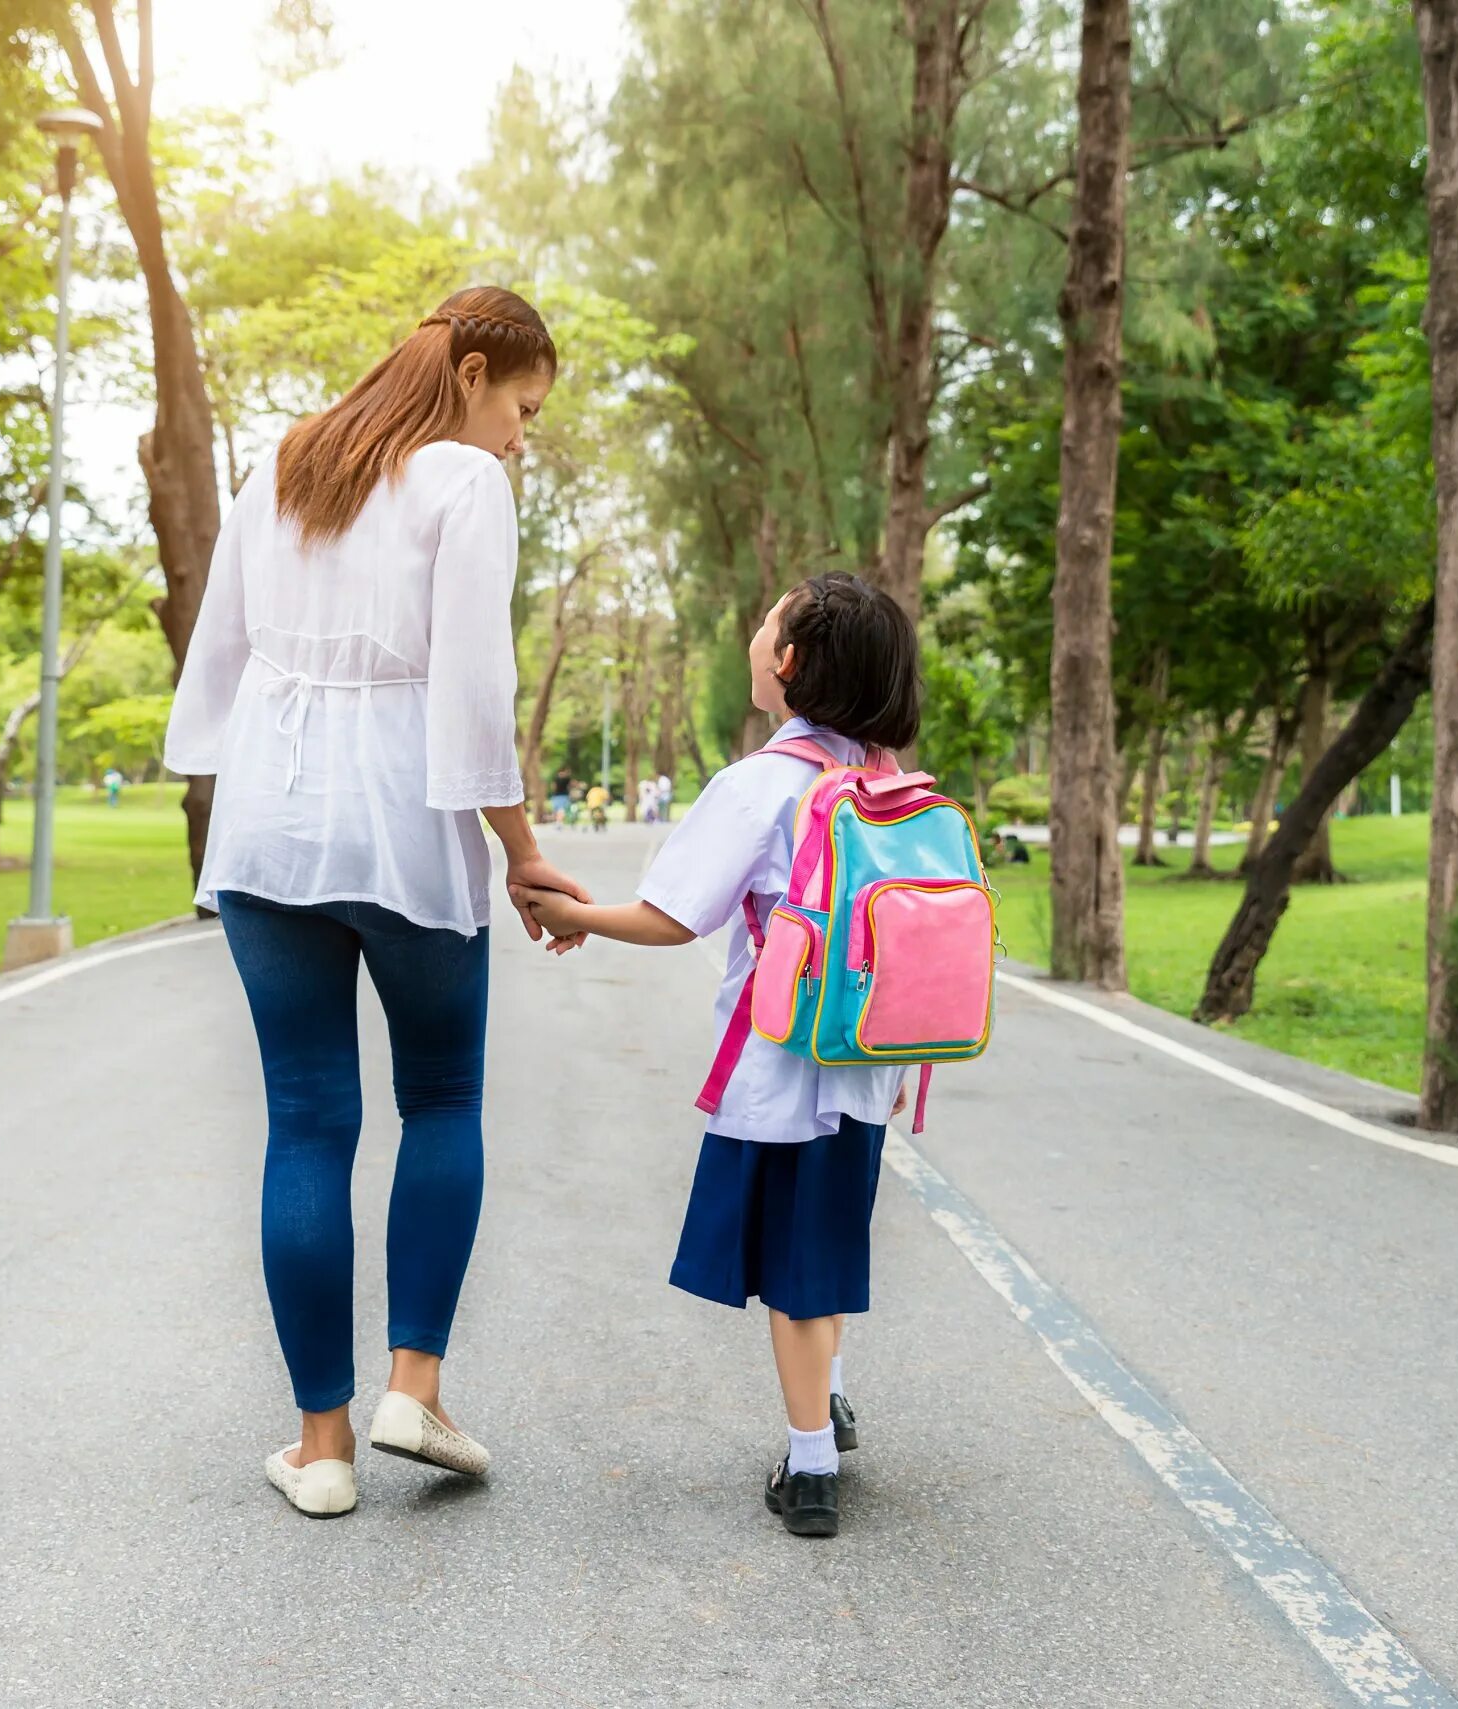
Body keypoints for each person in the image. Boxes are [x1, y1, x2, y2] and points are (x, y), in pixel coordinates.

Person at [163, 285, 591, 1519]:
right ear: (468, 372)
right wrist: (519, 852)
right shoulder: (464, 486)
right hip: (403, 821)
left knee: (305, 1121)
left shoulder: (283, 460)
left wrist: (224, 771)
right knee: (441, 1096)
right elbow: (468, 691)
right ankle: (416, 1385)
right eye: (521, 406)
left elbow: (223, 654)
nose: (521, 437)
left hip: (269, 822)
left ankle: (323, 1446)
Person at [516, 572, 923, 1540]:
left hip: (781, 1070)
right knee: (823, 1245)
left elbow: (670, 916)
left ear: (786, 662)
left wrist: (570, 913)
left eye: (763, 622)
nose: (754, 635)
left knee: (791, 1272)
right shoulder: (888, 783)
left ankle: (811, 1462)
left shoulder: (760, 785)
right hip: (869, 1066)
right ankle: (829, 1398)